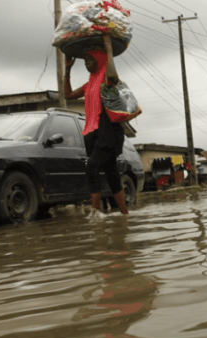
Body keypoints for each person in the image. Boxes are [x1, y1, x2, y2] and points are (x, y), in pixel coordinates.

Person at [65, 35, 128, 217]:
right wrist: (68, 69)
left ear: (100, 59)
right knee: (112, 174)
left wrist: (108, 50)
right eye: (85, 60)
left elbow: (113, 76)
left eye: (90, 59)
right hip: (92, 133)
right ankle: (125, 215)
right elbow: (68, 94)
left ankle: (95, 213)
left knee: (91, 167)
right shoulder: (88, 84)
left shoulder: (106, 79)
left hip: (107, 133)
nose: (86, 63)